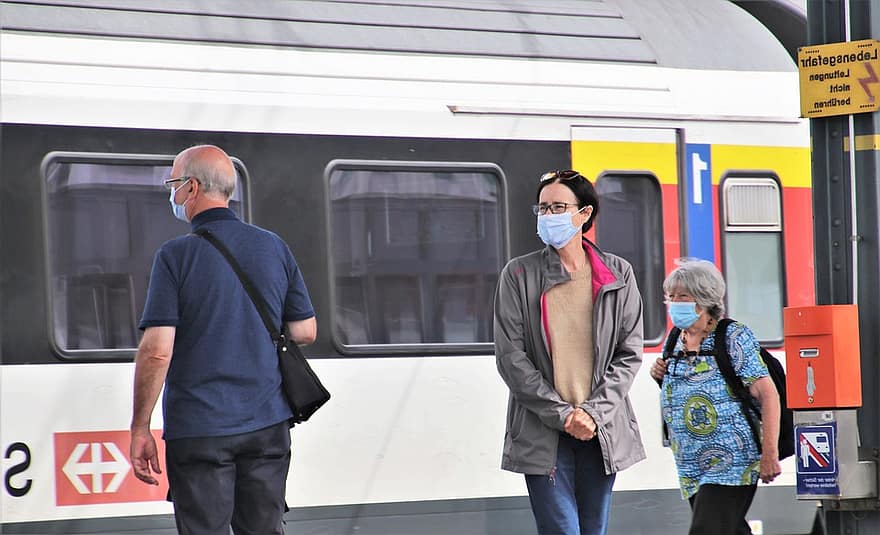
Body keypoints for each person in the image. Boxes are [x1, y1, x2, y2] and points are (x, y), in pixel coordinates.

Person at [129, 145, 317, 535]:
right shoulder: (273, 246)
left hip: (201, 428)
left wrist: (140, 426)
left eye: (173, 183)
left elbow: (157, 351)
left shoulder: (175, 256)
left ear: (191, 187)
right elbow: (305, 331)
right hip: (267, 424)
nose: (172, 193)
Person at [494, 169, 646, 535]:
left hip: (599, 430)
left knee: (593, 529)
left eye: (558, 207)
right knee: (561, 529)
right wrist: (563, 415)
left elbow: (629, 353)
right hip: (544, 430)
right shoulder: (518, 275)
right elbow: (511, 357)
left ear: (585, 213)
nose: (548, 216)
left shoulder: (618, 274)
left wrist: (591, 413)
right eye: (542, 208)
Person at [650, 259, 781, 535]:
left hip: (731, 459)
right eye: (671, 296)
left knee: (706, 530)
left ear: (704, 300)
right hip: (690, 464)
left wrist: (770, 452)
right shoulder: (675, 339)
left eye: (683, 296)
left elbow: (768, 394)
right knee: (729, 530)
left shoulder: (732, 336)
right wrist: (659, 375)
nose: (674, 303)